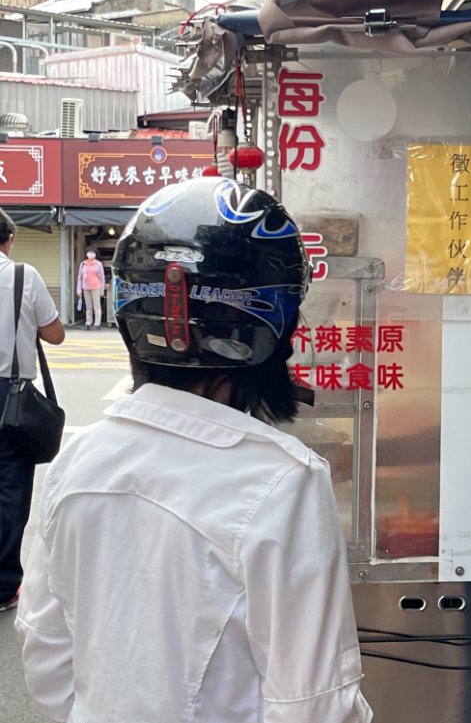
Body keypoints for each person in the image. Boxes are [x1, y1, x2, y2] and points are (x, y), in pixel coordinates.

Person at [16, 178, 373, 723]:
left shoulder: (78, 459)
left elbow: (45, 654)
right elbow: (315, 704)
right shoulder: (282, 481)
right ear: (276, 327)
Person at [0, 208, 65, 615]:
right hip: (12, 398)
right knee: (10, 490)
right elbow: (56, 334)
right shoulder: (24, 276)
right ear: (8, 241)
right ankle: (5, 586)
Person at [76, 248, 106, 329]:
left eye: (93, 252)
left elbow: (102, 278)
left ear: (96, 254)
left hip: (96, 287)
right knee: (88, 307)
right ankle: (88, 323)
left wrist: (102, 290)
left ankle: (97, 324)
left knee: (97, 306)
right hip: (85, 287)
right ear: (86, 254)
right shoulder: (83, 264)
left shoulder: (98, 264)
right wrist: (79, 290)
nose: (91, 254)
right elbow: (80, 278)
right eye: (89, 252)